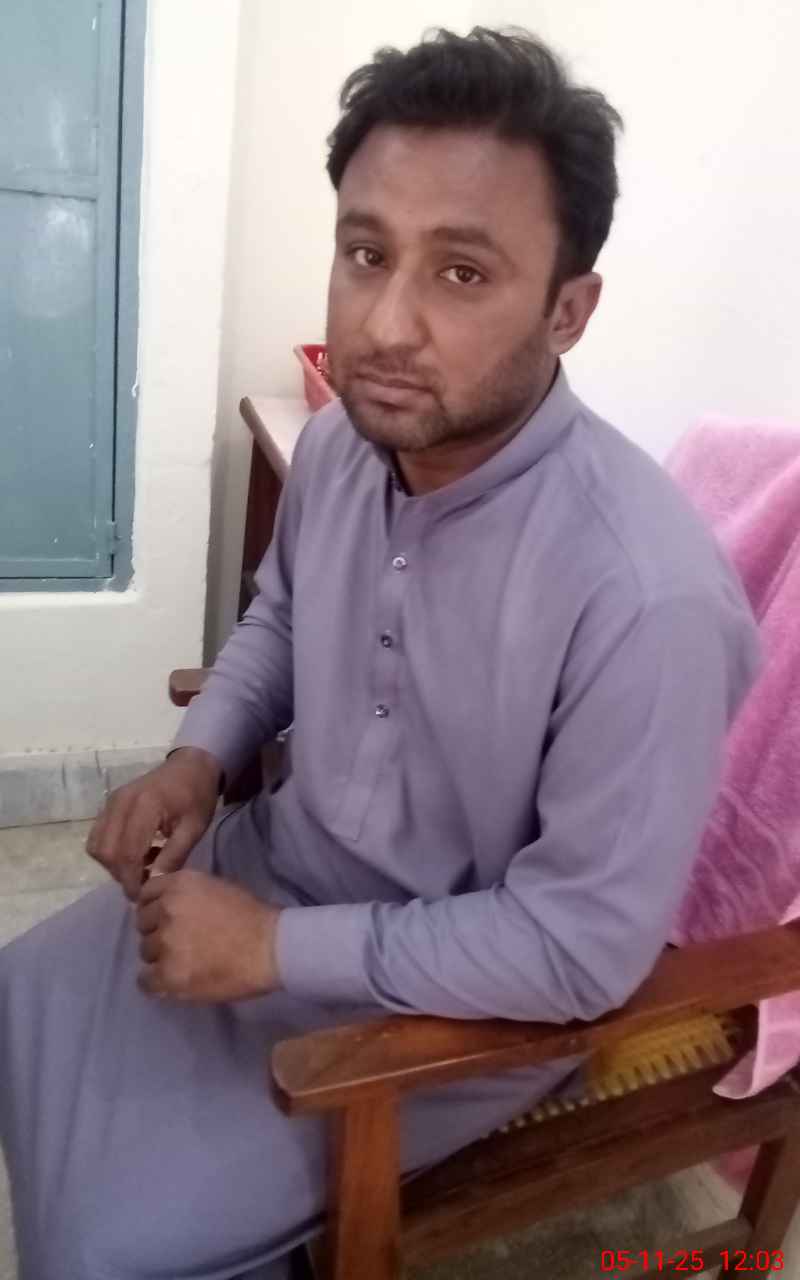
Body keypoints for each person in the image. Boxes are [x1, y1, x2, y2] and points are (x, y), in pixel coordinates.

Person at [0, 27, 761, 1280]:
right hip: (270, 870)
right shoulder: (344, 447)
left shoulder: (643, 599)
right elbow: (284, 616)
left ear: (567, 310)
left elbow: (577, 946)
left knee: (104, 1253)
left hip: (450, 1007)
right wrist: (199, 759)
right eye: (364, 253)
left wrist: (270, 951)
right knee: (24, 988)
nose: (385, 323)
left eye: (461, 272)